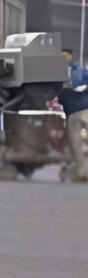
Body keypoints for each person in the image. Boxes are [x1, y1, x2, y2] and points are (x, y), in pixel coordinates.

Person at [61, 49, 88, 183]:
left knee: (76, 144)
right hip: (76, 112)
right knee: (76, 145)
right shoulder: (79, 68)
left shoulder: (75, 70)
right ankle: (81, 172)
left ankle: (82, 171)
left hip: (77, 112)